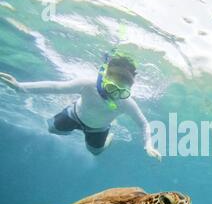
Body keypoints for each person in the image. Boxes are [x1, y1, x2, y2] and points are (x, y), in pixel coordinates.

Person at [0, 49, 161, 159]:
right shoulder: (87, 84)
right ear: (104, 76)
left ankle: (108, 138)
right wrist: (21, 87)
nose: (114, 93)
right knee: (52, 129)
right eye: (112, 85)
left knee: (95, 152)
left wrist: (148, 145)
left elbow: (144, 124)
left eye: (122, 88)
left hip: (99, 129)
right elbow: (56, 87)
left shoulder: (126, 103)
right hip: (74, 115)